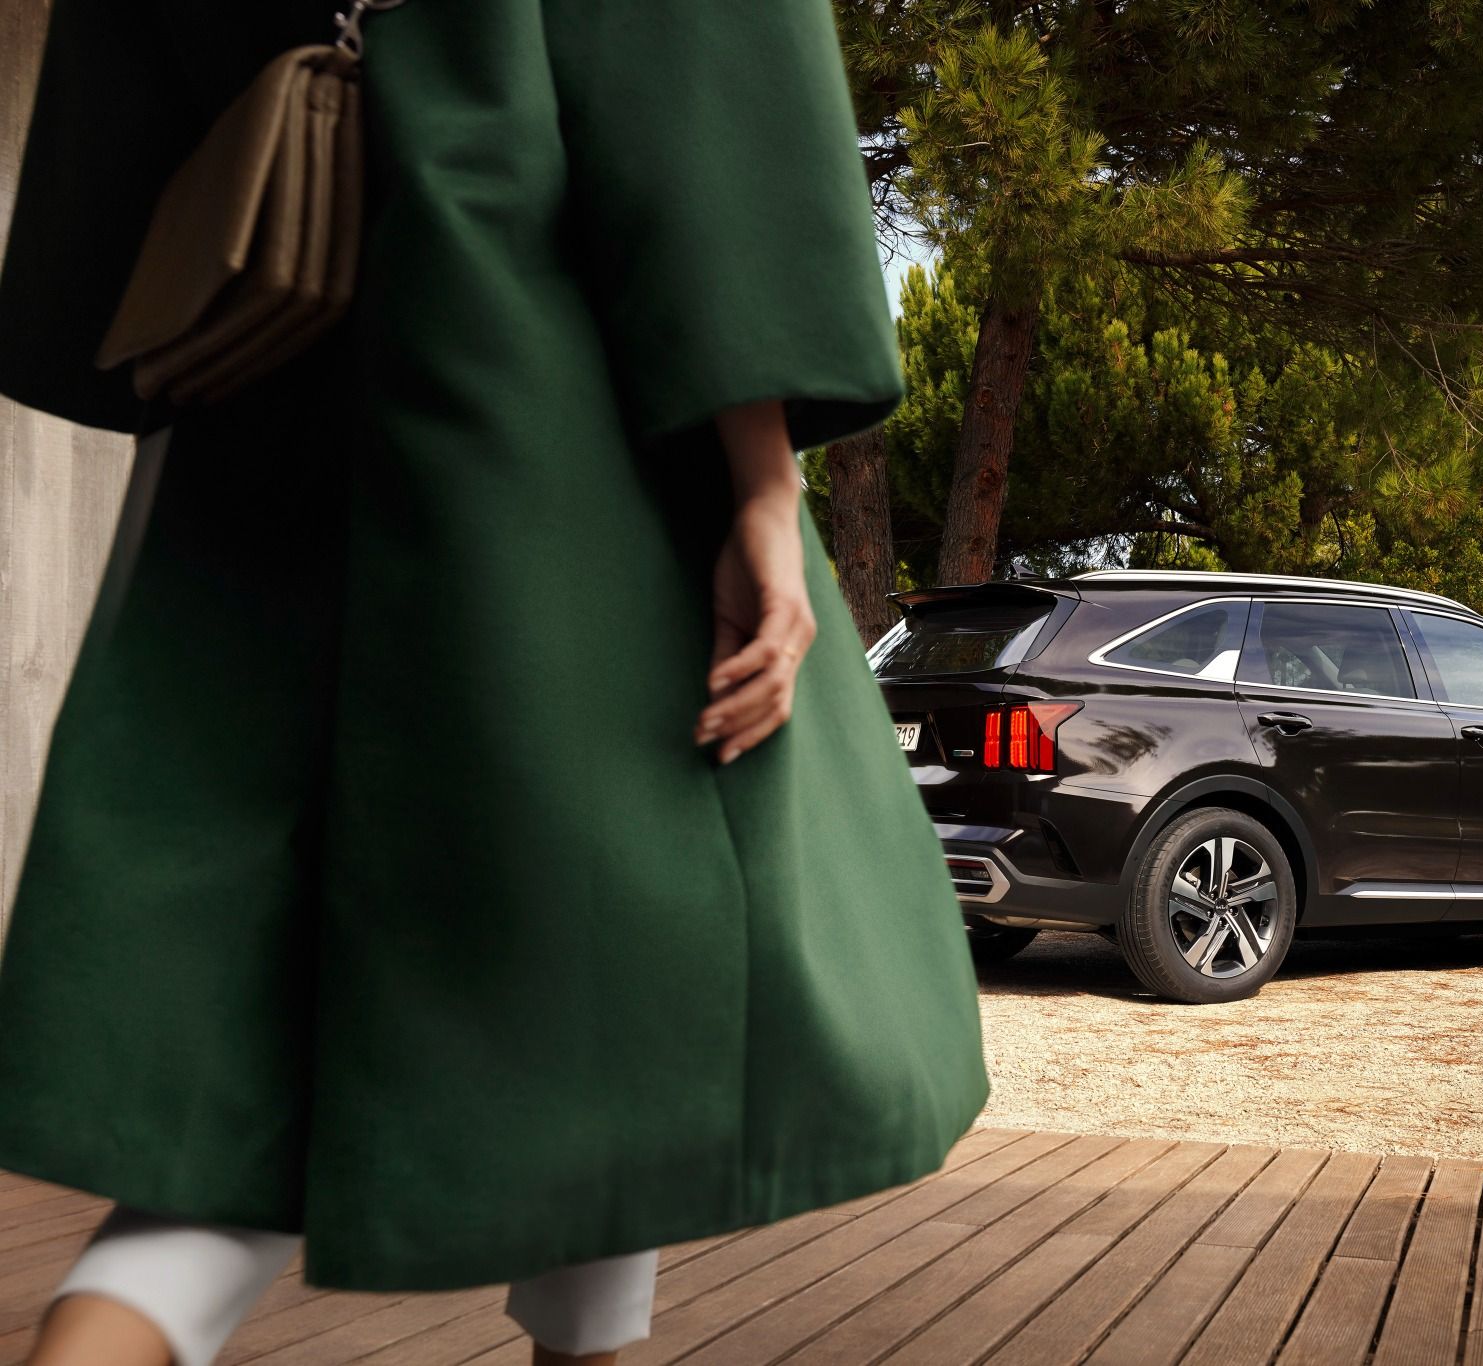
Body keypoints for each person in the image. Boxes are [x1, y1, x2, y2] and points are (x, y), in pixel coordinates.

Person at [0, 0, 991, 1362]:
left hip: (274, 347)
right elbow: (693, 70)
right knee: (611, 938)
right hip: (543, 361)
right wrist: (764, 478)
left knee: (241, 1047)